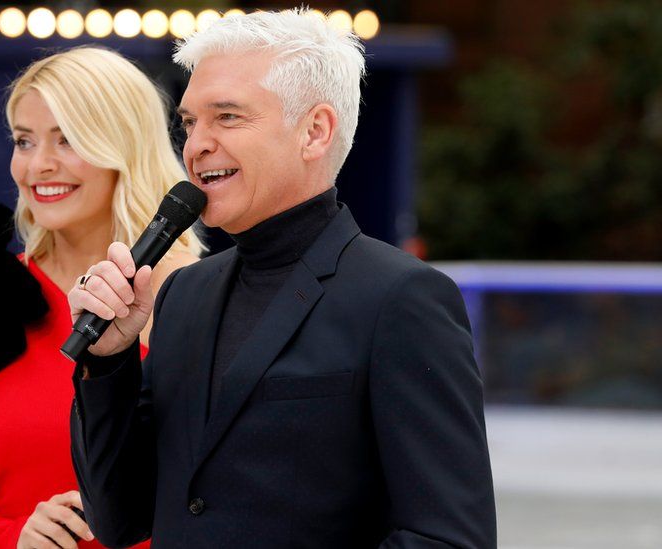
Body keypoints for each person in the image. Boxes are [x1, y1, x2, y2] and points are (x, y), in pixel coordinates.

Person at [68, 10, 497, 548]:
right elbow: (119, 519)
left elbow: (449, 539)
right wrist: (108, 363)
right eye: (189, 122)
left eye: (226, 117)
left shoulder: (400, 299)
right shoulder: (182, 294)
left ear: (314, 131)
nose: (195, 144)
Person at [0, 46, 201, 549]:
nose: (39, 164)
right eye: (24, 141)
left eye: (67, 140)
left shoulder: (207, 300)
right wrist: (11, 537)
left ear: (123, 147)